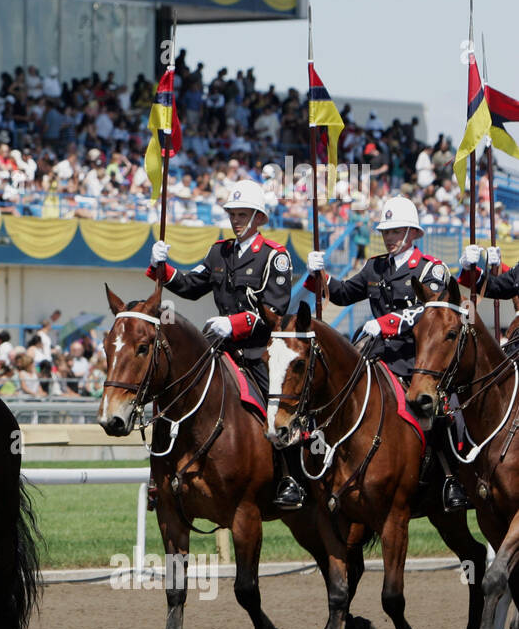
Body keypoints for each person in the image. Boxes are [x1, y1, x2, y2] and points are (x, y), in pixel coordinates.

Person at [148, 178, 303, 509]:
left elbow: (275, 311)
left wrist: (233, 324)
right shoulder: (220, 252)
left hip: (258, 352)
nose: (236, 220)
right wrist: (164, 268)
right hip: (219, 349)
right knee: (172, 392)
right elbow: (191, 286)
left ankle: (289, 476)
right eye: (232, 214)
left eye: (243, 214)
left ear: (259, 218)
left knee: (278, 408)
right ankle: (159, 475)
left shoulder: (275, 258)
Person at [306, 195, 465, 511]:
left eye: (396, 231)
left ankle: (451, 478)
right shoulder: (374, 266)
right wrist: (320, 275)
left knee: (438, 411)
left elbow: (427, 313)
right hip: (376, 355)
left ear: (414, 233)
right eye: (386, 232)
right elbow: (342, 293)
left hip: (415, 358)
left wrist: (388, 323)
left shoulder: (431, 269)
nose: (389, 238)